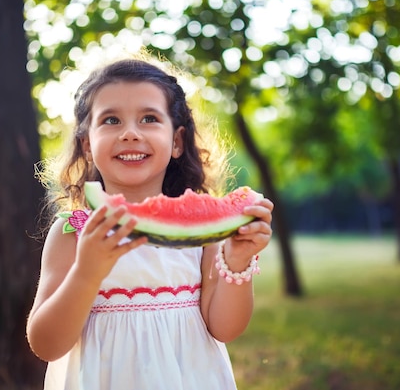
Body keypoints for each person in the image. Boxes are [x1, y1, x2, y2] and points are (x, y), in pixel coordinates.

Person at [26, 54, 274, 390]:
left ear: (177, 141)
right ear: (87, 144)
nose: (129, 133)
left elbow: (225, 328)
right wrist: (87, 272)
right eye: (111, 120)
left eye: (148, 118)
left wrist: (239, 261)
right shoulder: (74, 231)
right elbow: (46, 344)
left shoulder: (204, 236)